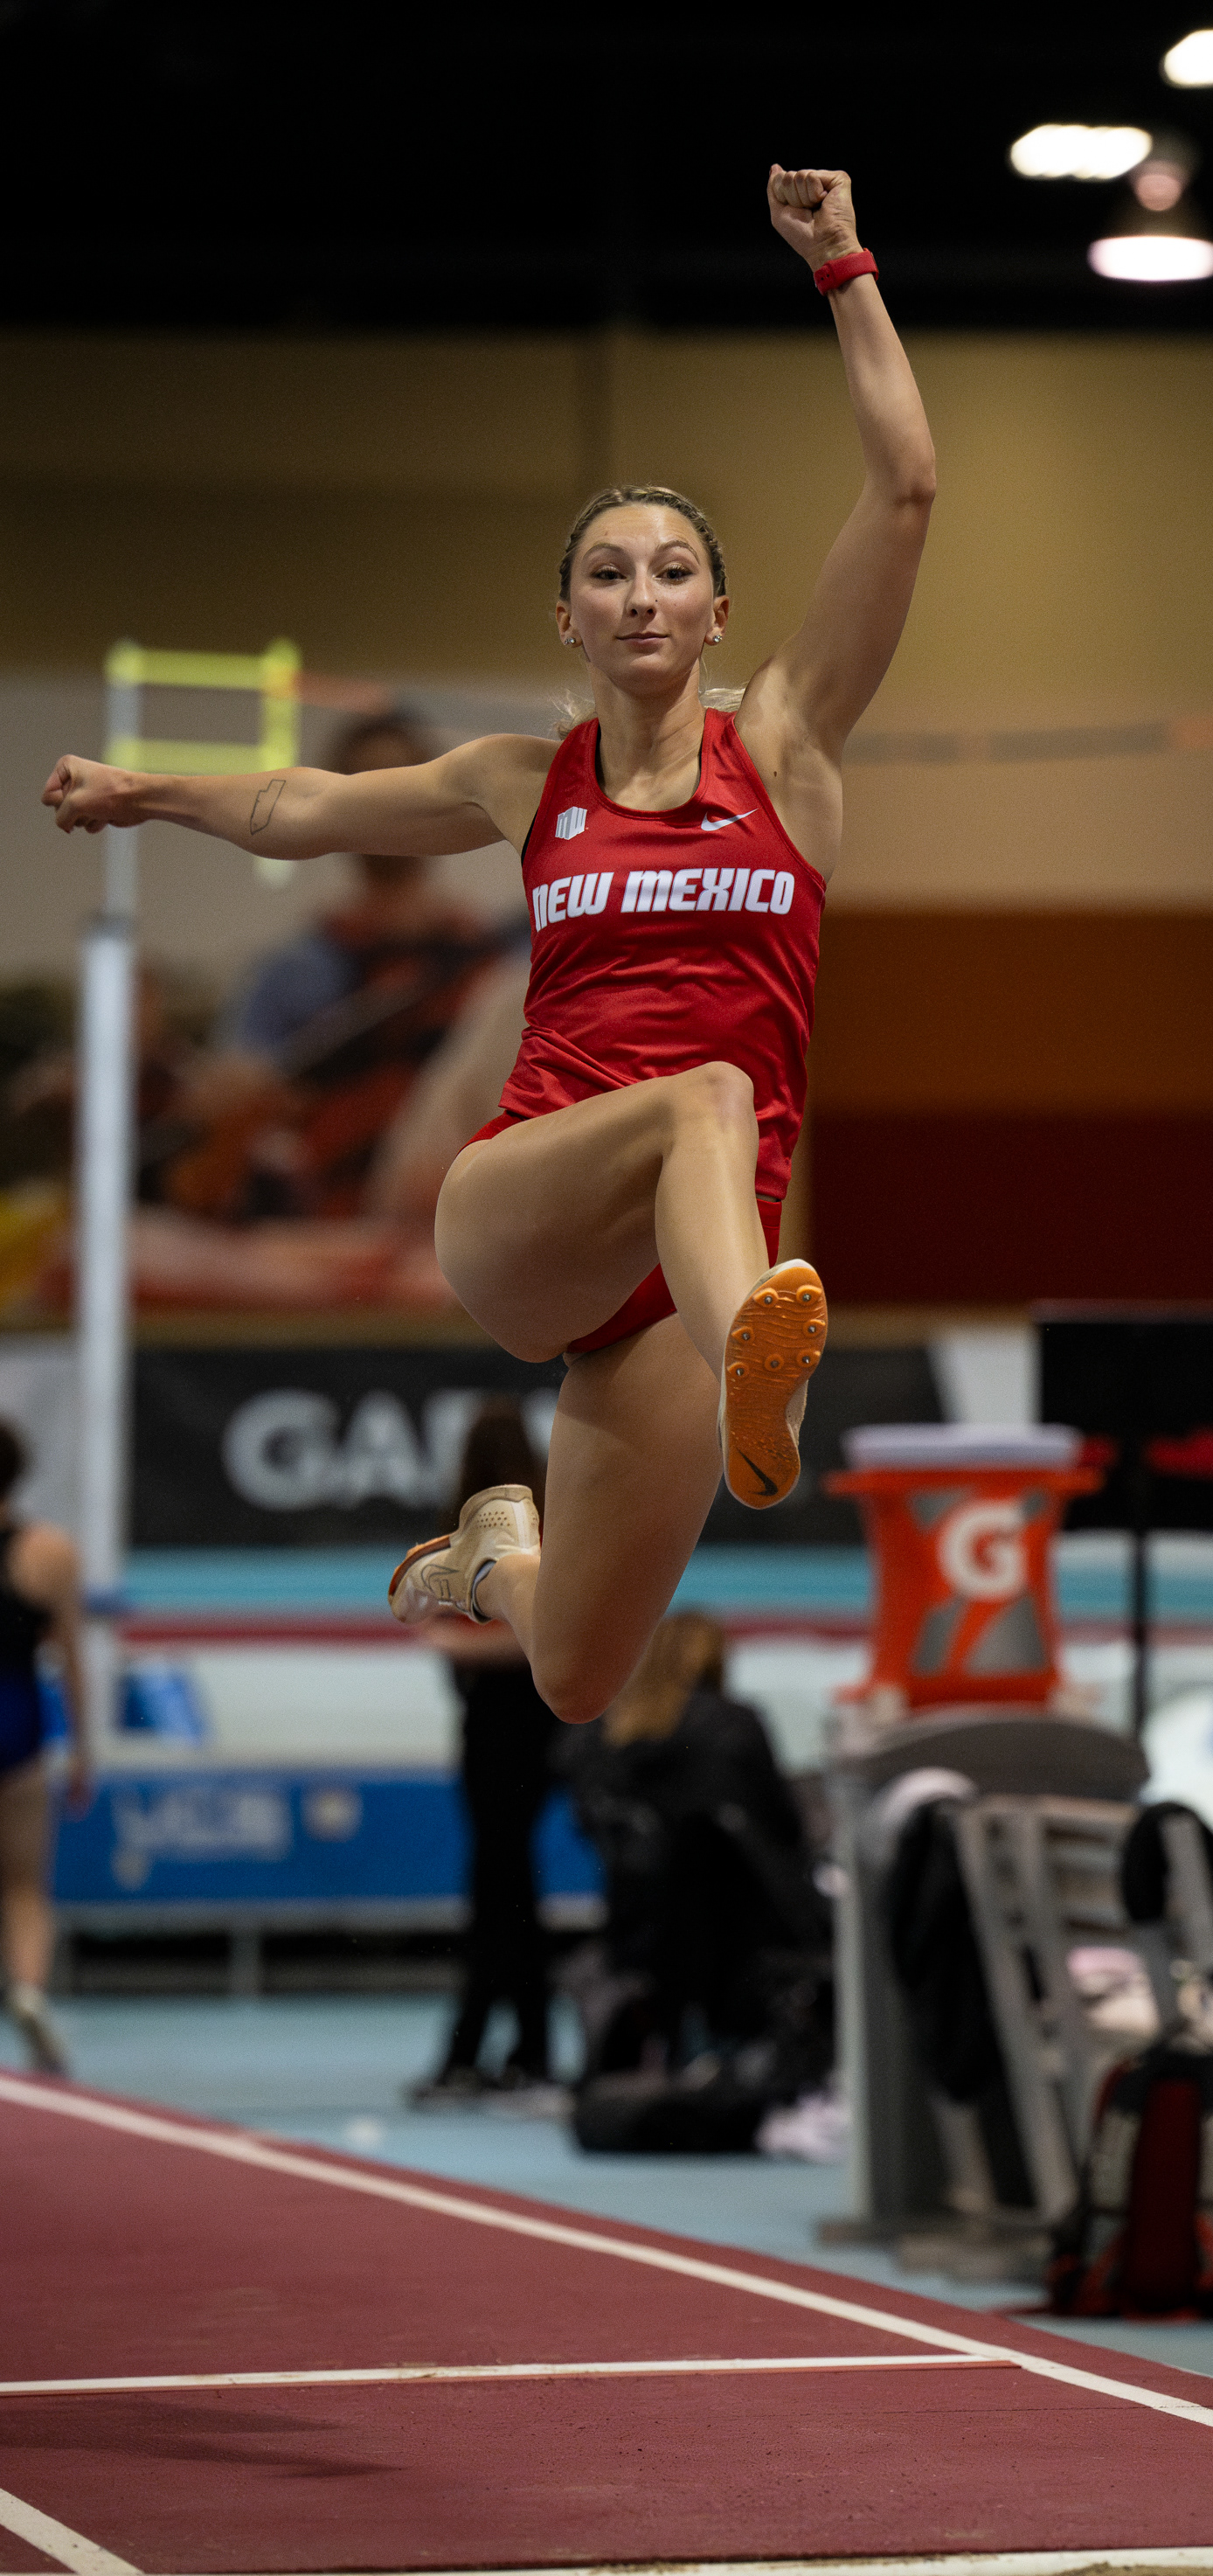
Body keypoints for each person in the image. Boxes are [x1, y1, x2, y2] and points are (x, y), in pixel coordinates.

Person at [42, 165, 935, 1725]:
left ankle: (488, 1557)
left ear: (719, 613)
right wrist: (150, 792)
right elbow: (304, 805)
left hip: (683, 1277)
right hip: (527, 1206)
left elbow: (907, 488)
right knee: (708, 1095)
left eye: (672, 572)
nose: (641, 596)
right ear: (567, 621)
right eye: (608, 575)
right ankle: (756, 1352)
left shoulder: (788, 753)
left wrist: (843, 267)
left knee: (578, 1674)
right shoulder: (526, 782)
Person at [167, 712, 518, 1222]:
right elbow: (231, 1094)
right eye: (365, 785)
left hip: (475, 1197)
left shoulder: (493, 958)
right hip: (343, 1207)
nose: (387, 802)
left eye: (405, 781)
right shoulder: (294, 972)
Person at [557, 1612, 826, 2084]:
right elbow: (785, 1827)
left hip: (637, 1929)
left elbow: (588, 1824)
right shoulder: (734, 1725)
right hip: (745, 1931)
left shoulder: (596, 1736)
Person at [410, 1398, 559, 2104]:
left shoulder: (515, 1534)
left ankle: (482, 2047)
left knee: (500, 1887)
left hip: (506, 1725)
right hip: (519, 1723)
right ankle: (520, 2047)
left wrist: (450, 1641)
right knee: (507, 1885)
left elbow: (535, 1633)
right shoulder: (518, 1528)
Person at [0, 1418, 88, 2074]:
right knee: (25, 1886)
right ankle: (29, 1989)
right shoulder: (49, 1552)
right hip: (17, 1724)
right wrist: (83, 1748)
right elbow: (71, 1659)